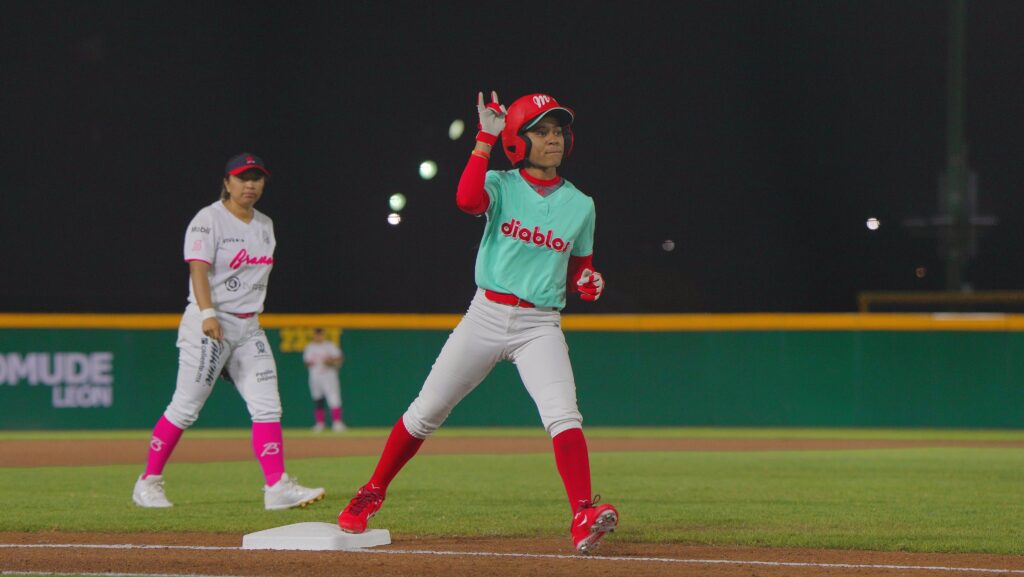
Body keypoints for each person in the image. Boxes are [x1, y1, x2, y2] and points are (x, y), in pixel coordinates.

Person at [336, 92, 617, 554]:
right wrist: (485, 136)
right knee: (426, 412)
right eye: (541, 131)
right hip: (486, 314)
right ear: (517, 142)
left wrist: (589, 281)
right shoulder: (502, 184)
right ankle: (371, 493)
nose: (553, 139)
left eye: (557, 131)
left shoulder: (581, 204)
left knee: (564, 414)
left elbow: (579, 270)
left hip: (539, 324)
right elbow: (467, 200)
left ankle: (583, 513)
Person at [132, 152, 325, 511]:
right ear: (227, 183)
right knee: (185, 407)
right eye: (242, 178)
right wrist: (207, 314)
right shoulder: (209, 220)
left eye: (256, 178)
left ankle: (277, 486)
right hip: (211, 323)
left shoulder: (265, 224)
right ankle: (148, 483)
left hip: (249, 325)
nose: (250, 184)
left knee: (268, 405)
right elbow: (198, 270)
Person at [303, 328, 347, 433]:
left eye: (320, 335)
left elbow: (340, 358)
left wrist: (330, 361)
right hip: (315, 377)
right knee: (318, 399)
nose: (318, 336)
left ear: (323, 335)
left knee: (334, 398)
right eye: (317, 335)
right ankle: (320, 424)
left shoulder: (329, 346)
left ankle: (337, 423)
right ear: (314, 335)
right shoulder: (310, 347)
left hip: (329, 376)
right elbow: (306, 362)